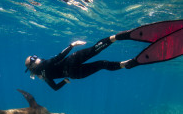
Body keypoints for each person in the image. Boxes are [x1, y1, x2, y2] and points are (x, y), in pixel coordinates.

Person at [25, 20, 183, 91]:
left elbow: (55, 88)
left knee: (101, 64)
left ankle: (128, 63)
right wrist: (71, 45)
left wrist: (65, 81)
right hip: (71, 61)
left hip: (74, 74)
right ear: (34, 63)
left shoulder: (43, 75)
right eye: (34, 58)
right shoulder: (43, 65)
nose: (36, 57)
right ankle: (118, 37)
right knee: (95, 49)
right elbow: (58, 58)